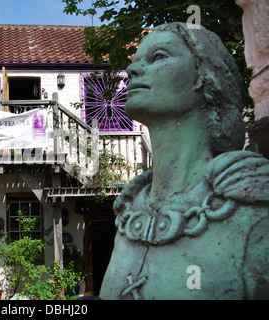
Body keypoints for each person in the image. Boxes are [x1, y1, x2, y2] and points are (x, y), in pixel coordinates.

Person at [100, 22, 269, 299]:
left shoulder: (252, 209)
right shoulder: (129, 210)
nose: (132, 70)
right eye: (135, 61)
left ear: (203, 76)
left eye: (158, 57)